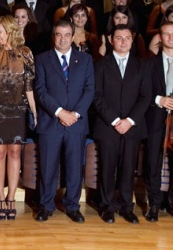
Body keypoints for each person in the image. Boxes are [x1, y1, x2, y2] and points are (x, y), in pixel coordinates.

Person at [34, 19, 94, 223]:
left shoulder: (85, 60)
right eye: (59, 34)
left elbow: (89, 90)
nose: (63, 39)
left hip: (76, 124)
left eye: (67, 35)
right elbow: (40, 91)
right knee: (47, 167)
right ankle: (46, 206)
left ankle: (72, 206)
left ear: (73, 36)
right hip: (50, 122)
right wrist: (60, 112)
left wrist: (74, 114)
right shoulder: (42, 59)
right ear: (54, 36)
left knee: (74, 167)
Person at [94, 24, 150, 224]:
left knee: (128, 169)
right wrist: (116, 121)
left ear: (132, 40)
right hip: (108, 126)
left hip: (133, 127)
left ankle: (126, 207)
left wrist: (129, 121)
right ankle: (107, 206)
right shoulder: (100, 64)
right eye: (119, 38)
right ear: (111, 40)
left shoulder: (141, 65)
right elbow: (97, 96)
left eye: (127, 38)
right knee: (107, 168)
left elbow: (145, 97)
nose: (123, 41)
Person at [0, 15, 36, 220]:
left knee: (14, 153)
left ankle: (11, 198)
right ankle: (0, 197)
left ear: (10, 31)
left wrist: (34, 110)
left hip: (18, 109)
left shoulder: (25, 53)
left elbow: (29, 85)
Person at [143, 21, 173, 222]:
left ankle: (170, 202)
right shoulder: (149, 63)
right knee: (153, 161)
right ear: (160, 38)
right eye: (167, 34)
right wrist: (158, 99)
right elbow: (143, 91)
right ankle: (153, 203)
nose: (171, 37)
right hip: (155, 118)